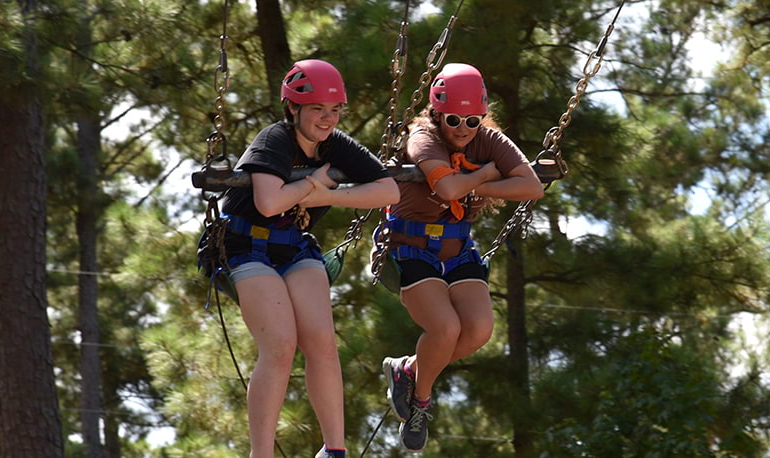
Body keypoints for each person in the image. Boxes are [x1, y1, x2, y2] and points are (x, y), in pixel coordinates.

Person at [216, 59, 399, 458]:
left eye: (334, 111)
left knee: (321, 340)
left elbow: (389, 191)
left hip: (294, 245)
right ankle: (260, 453)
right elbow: (268, 203)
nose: (327, 119)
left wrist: (328, 195)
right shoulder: (274, 140)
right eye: (317, 109)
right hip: (246, 244)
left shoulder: (336, 144)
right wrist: (314, 183)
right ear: (293, 108)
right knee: (281, 345)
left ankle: (335, 450)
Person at [377, 63, 544, 452]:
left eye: (473, 120)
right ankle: (421, 400)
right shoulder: (422, 138)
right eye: (453, 119)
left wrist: (483, 175)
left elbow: (531, 187)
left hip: (456, 250)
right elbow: (449, 188)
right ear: (437, 113)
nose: (463, 128)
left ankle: (410, 370)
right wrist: (484, 175)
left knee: (478, 330)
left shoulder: (488, 140)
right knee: (445, 328)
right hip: (410, 248)